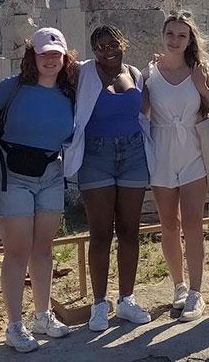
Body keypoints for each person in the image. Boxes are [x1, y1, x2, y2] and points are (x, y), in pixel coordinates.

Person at [0, 28, 76, 351]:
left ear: (65, 58)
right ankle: (14, 324)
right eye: (43, 53)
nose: (50, 59)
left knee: (44, 249)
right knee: (17, 251)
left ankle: (42, 315)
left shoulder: (70, 92)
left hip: (50, 170)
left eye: (56, 54)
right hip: (11, 173)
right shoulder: (11, 89)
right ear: (31, 57)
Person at [65, 25, 153, 332]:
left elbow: (145, 111)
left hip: (132, 154)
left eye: (112, 44)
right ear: (93, 51)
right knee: (100, 232)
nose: (107, 51)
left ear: (123, 43)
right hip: (96, 156)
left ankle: (126, 300)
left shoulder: (137, 74)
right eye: (100, 47)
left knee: (130, 230)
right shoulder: (82, 72)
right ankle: (99, 304)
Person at [144, 11, 209, 322]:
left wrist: (202, 87)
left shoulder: (202, 70)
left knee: (193, 225)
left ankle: (196, 291)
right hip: (162, 151)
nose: (175, 40)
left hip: (193, 151)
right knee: (168, 224)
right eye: (170, 34)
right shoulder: (149, 73)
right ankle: (177, 286)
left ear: (190, 39)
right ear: (162, 36)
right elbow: (141, 113)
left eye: (182, 35)